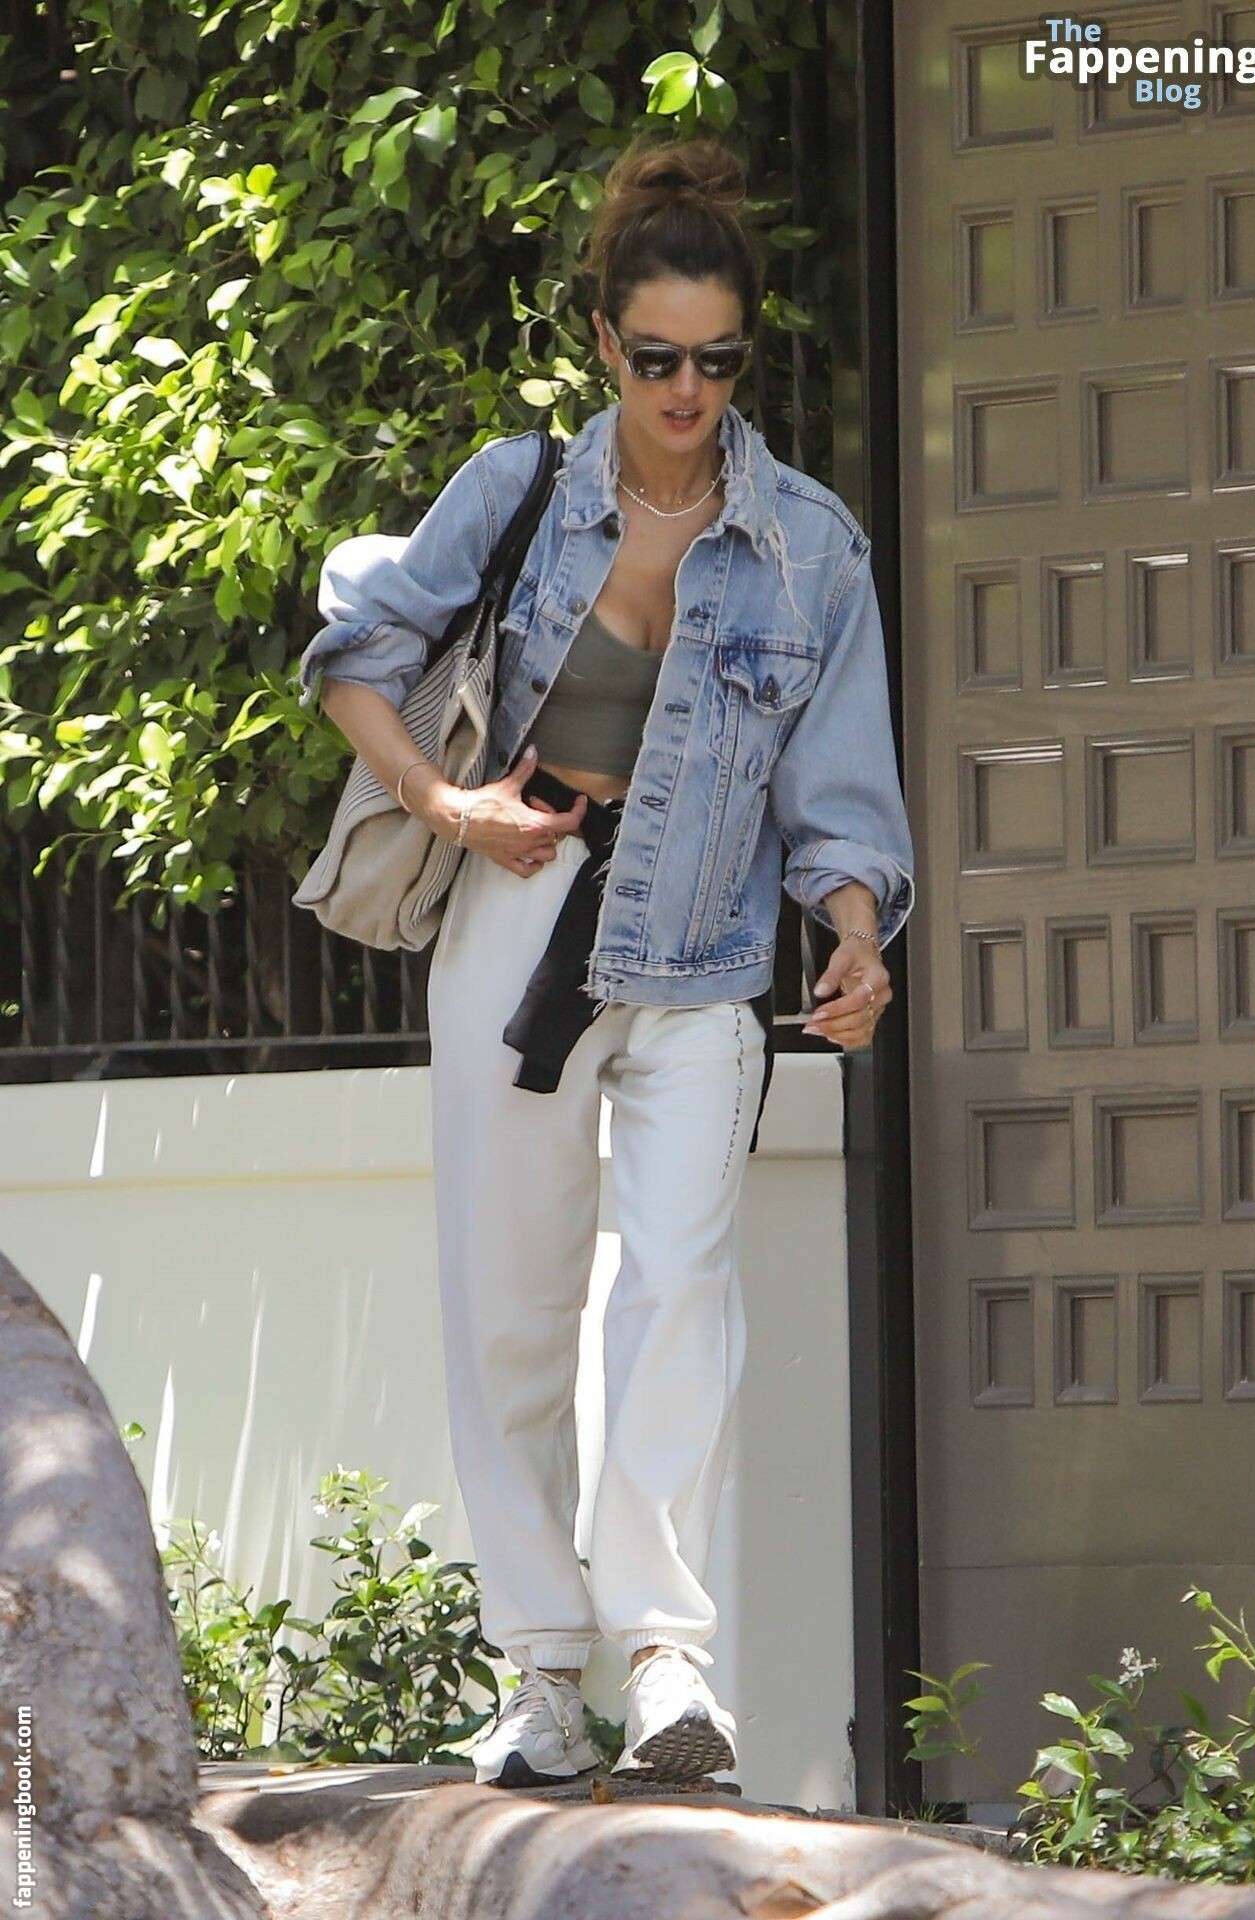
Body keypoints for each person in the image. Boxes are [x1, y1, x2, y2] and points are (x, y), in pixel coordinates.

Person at [294, 135, 915, 1790]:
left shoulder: (811, 546)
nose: (687, 391)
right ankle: (539, 1676)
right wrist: (447, 803)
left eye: (719, 359)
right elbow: (356, 654)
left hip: (704, 952)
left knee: (679, 1299)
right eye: (656, 359)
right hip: (524, 915)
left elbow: (841, 795)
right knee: (511, 1311)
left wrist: (855, 937)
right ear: (603, 343)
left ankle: (664, 1666)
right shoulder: (519, 489)